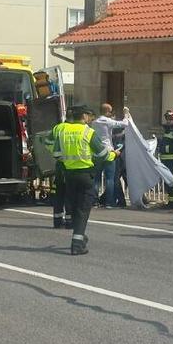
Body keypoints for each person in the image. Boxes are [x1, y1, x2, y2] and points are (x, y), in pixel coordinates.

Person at [53, 104, 120, 255]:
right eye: (88, 116)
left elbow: (56, 154)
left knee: (76, 206)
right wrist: (114, 154)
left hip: (69, 174)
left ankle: (80, 237)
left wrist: (67, 163)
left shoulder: (62, 131)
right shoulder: (88, 132)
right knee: (83, 209)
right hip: (85, 175)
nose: (90, 119)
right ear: (83, 116)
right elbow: (103, 154)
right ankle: (77, 244)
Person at [92, 103, 130, 209]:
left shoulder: (94, 122)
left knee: (96, 179)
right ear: (107, 111)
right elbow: (124, 124)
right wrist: (126, 114)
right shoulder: (107, 121)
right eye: (110, 111)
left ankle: (94, 201)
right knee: (110, 178)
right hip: (108, 152)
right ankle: (109, 202)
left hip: (97, 152)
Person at [45, 117, 72, 229]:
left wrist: (55, 152)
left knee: (59, 193)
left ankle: (57, 220)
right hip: (71, 167)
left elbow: (48, 143)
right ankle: (70, 221)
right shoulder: (74, 129)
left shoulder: (57, 128)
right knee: (70, 194)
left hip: (60, 165)